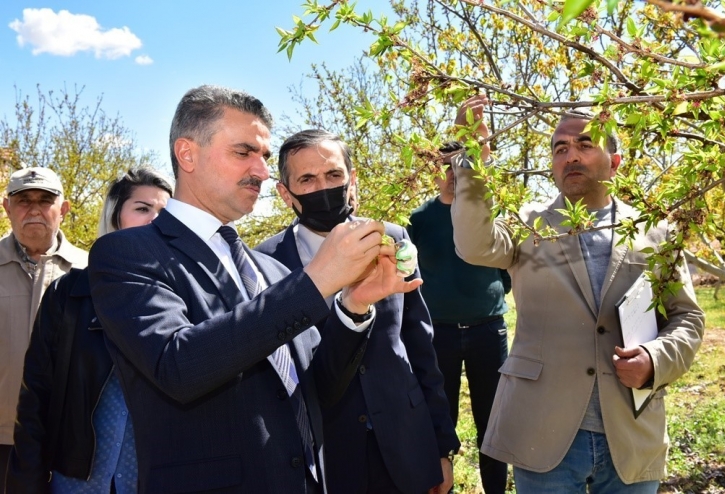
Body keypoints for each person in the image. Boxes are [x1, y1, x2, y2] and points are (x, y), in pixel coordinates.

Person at [86, 85, 419, 494]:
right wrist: (318, 281)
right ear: (187, 154)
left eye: (263, 156)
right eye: (244, 153)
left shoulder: (270, 270)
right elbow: (177, 365)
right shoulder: (127, 254)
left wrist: (353, 305)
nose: (262, 171)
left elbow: (316, 389)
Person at [449, 94, 704, 493]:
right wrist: (472, 154)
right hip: (542, 434)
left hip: (631, 436)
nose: (571, 156)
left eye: (585, 145)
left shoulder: (656, 233)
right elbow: (474, 244)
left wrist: (656, 359)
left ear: (615, 162)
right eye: (560, 149)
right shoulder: (526, 224)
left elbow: (687, 317)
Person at [256, 129, 460, 494]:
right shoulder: (266, 262)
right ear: (285, 194)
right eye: (307, 179)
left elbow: (420, 344)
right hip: (328, 456)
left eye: (334, 175)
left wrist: (442, 446)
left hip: (405, 446)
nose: (324, 187)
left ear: (353, 181)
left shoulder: (392, 239)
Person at [5, 168, 173, 493]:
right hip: (77, 480)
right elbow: (36, 398)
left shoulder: (188, 295)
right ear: (115, 215)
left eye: (164, 212)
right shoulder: (69, 293)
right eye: (142, 208)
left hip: (156, 478)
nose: (155, 219)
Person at [407, 140, 512, 494]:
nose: (453, 175)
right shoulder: (419, 220)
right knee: (441, 419)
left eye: (461, 165)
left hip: (488, 331)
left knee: (493, 422)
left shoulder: (488, 213)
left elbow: (506, 265)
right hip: (439, 335)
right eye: (445, 167)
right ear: (434, 173)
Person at [0, 167, 88, 487]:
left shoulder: (90, 271)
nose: (34, 209)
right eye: (23, 200)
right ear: (7, 208)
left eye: (45, 200)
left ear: (63, 210)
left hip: (63, 441)